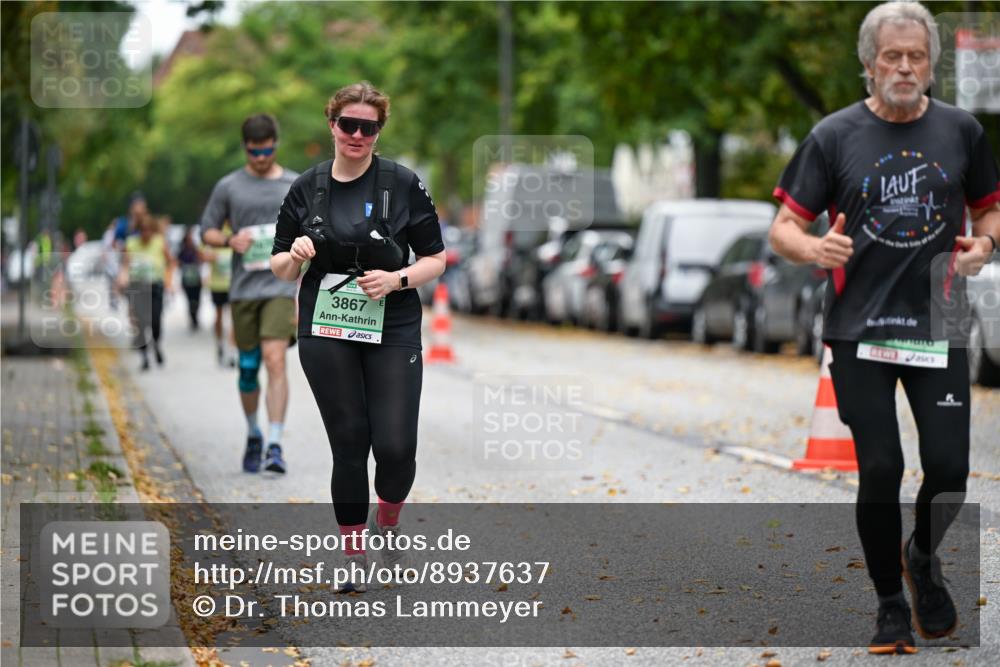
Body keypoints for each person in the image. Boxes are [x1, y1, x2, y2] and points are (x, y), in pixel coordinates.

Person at [769, 1, 1000, 655]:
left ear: (931, 64)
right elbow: (783, 227)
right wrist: (814, 250)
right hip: (860, 328)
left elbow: (989, 211)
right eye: (892, 56)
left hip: (941, 322)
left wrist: (983, 248)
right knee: (880, 466)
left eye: (916, 56)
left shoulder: (962, 131)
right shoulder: (834, 135)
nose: (904, 66)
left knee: (951, 470)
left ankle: (921, 554)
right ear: (869, 65)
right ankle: (892, 606)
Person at [270, 81, 446, 591]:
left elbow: (436, 256)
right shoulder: (307, 187)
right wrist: (297, 254)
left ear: (378, 131)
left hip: (391, 320)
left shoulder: (401, 182)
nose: (357, 135)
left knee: (395, 446)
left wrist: (397, 279)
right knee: (349, 443)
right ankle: (352, 555)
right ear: (332, 125)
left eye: (368, 127)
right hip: (326, 322)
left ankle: (387, 520)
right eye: (348, 124)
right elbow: (279, 265)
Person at [201, 114, 298, 475]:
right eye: (255, 151)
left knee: (275, 359)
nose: (262, 157)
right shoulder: (229, 186)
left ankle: (275, 443)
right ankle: (254, 432)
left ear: (277, 142)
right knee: (247, 368)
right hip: (243, 290)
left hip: (279, 287)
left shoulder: (294, 184)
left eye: (268, 149)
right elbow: (206, 231)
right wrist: (229, 240)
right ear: (246, 148)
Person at [119, 212, 175, 370]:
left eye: (149, 230)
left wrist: (169, 281)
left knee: (155, 320)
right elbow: (125, 265)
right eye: (143, 230)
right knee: (140, 322)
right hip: (137, 287)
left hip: (155, 286)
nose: (146, 233)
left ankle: (156, 343)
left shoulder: (159, 242)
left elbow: (171, 263)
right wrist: (123, 278)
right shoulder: (131, 243)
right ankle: (144, 356)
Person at [204, 221, 237, 367]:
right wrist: (210, 256)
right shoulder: (214, 230)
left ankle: (231, 351)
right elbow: (203, 253)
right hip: (217, 284)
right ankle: (219, 343)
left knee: (234, 318)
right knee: (218, 316)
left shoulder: (237, 228)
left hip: (233, 284)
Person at [178, 226, 204, 331]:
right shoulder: (182, 251)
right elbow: (177, 263)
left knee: (197, 300)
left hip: (196, 279)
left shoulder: (195, 249)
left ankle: (196, 316)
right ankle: (192, 318)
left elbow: (201, 260)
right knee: (190, 300)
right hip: (186, 280)